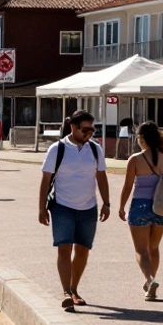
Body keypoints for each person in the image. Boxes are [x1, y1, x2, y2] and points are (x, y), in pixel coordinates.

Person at [37, 110, 111, 311]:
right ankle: (66, 292)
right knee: (64, 248)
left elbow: (101, 176)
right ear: (73, 127)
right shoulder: (57, 149)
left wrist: (107, 202)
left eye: (92, 129)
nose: (89, 133)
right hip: (62, 207)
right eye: (85, 129)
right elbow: (45, 180)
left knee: (83, 250)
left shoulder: (95, 149)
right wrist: (41, 208)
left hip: (88, 208)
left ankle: (74, 288)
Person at [117, 121, 163, 301]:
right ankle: (151, 281)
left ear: (141, 138)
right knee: (154, 247)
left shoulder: (135, 159)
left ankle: (149, 280)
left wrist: (121, 206)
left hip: (140, 205)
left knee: (141, 250)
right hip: (160, 206)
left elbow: (127, 187)